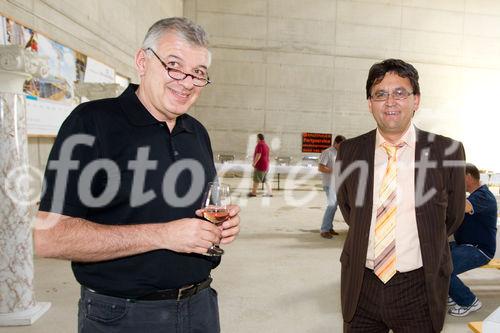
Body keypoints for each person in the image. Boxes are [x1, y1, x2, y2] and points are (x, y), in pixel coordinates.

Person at [33, 17, 240, 333]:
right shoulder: (90, 124)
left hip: (201, 307)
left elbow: (195, 211)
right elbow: (48, 237)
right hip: (122, 315)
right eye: (174, 65)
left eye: (198, 73)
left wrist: (219, 226)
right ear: (142, 61)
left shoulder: (196, 132)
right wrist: (163, 234)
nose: (186, 81)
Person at [336, 59, 465, 332]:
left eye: (400, 92)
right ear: (369, 103)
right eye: (380, 94)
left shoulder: (447, 152)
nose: (390, 101)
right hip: (362, 286)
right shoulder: (349, 152)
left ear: (416, 100)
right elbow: (351, 211)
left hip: (419, 287)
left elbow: (451, 216)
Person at [448, 163, 497, 317]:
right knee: (435, 255)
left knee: (442, 267)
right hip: (466, 245)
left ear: (468, 176)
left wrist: (448, 191)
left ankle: (469, 302)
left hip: (479, 249)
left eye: (458, 178)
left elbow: (464, 207)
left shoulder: (484, 195)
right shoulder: (476, 195)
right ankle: (451, 291)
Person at [318, 134, 346, 239]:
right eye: (341, 145)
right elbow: (321, 167)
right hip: (329, 184)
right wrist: (334, 171)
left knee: (334, 207)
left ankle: (329, 227)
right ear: (336, 143)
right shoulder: (327, 152)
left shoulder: (340, 153)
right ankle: (324, 230)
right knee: (331, 206)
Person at [248, 133, 272, 197]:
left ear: (258, 138)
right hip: (266, 165)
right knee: (266, 180)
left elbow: (258, 154)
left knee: (256, 179)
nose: (256, 139)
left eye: (256, 138)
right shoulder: (266, 145)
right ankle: (270, 193)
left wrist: (254, 163)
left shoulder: (259, 144)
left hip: (260, 165)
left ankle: (253, 193)